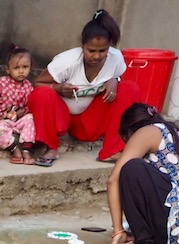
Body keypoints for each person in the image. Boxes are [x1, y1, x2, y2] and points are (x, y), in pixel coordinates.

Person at [27, 9, 140, 166]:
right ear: (83, 45)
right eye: (91, 50)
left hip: (89, 121)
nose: (96, 56)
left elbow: (120, 82)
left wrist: (115, 79)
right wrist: (58, 88)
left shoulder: (116, 58)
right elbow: (38, 83)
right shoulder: (67, 61)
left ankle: (111, 150)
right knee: (41, 94)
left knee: (130, 88)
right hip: (61, 118)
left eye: (103, 51)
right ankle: (51, 147)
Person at [106, 103, 179, 244]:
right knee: (143, 172)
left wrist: (118, 231)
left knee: (133, 168)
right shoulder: (175, 133)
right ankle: (151, 238)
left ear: (130, 131)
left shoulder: (147, 132)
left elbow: (113, 180)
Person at [0, 46, 37, 164]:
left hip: (17, 120)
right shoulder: (1, 82)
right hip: (0, 119)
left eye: (25, 67)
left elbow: (31, 104)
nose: (21, 71)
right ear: (8, 69)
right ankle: (14, 148)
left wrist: (24, 112)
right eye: (16, 68)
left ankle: (26, 149)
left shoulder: (28, 86)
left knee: (31, 119)